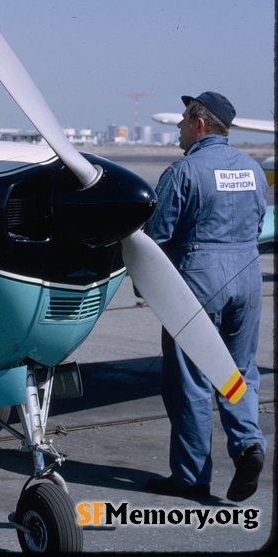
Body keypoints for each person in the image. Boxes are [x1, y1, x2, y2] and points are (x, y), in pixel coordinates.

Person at [143, 91, 268, 502]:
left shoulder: (184, 171)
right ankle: (249, 445)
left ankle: (192, 478)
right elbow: (259, 220)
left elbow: (156, 236)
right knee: (238, 372)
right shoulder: (252, 168)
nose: (178, 127)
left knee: (192, 380)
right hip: (248, 279)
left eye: (183, 120)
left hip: (200, 280)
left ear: (199, 125)